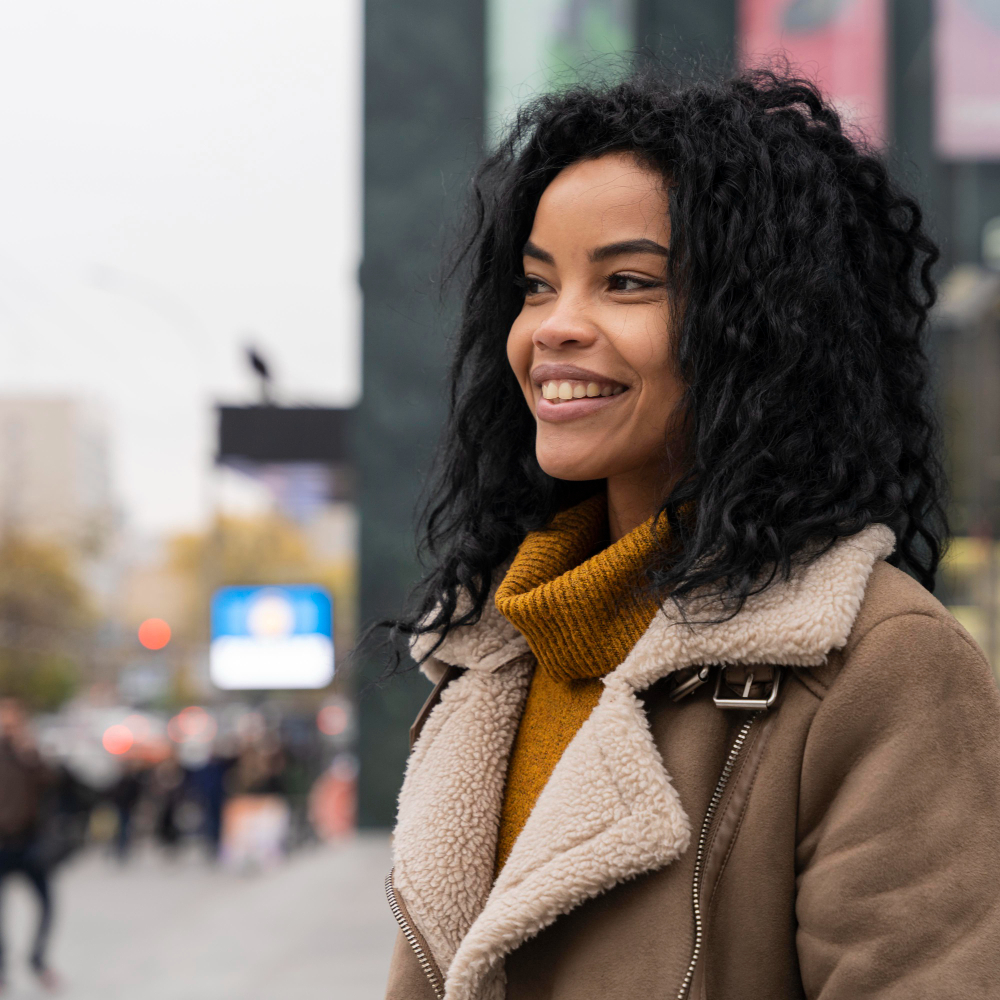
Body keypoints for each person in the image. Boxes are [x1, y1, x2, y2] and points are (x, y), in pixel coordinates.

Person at [380, 69, 1000, 1000]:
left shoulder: (879, 663)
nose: (554, 328)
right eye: (536, 285)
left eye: (626, 282)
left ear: (764, 327)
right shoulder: (489, 653)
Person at [0, 698, 58, 992]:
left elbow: (51, 782)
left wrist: (30, 751)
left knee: (47, 905)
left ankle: (37, 960)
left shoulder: (28, 755)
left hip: (29, 843)